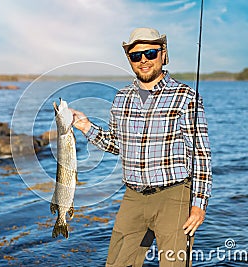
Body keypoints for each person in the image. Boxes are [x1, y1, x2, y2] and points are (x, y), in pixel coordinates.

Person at [71, 28, 212, 267]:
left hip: (174, 196)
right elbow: (118, 145)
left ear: (163, 55)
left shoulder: (186, 96)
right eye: (136, 56)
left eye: (150, 53)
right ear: (130, 60)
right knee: (117, 263)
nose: (144, 60)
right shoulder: (121, 98)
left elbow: (200, 154)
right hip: (133, 197)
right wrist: (86, 127)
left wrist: (199, 203)